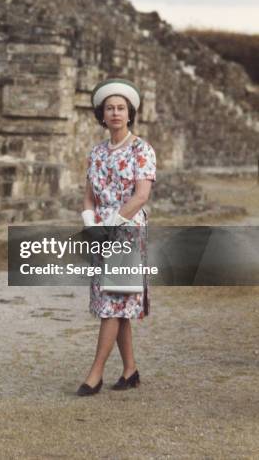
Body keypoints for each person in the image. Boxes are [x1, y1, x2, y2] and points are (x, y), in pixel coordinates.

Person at [76, 78, 157, 396]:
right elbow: (88, 196)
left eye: (121, 108)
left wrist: (111, 226)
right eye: (109, 108)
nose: (115, 113)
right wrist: (91, 226)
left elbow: (141, 196)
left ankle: (94, 374)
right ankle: (130, 369)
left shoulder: (141, 149)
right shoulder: (96, 152)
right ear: (102, 114)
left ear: (130, 113)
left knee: (112, 301)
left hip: (126, 232)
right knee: (116, 297)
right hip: (101, 233)